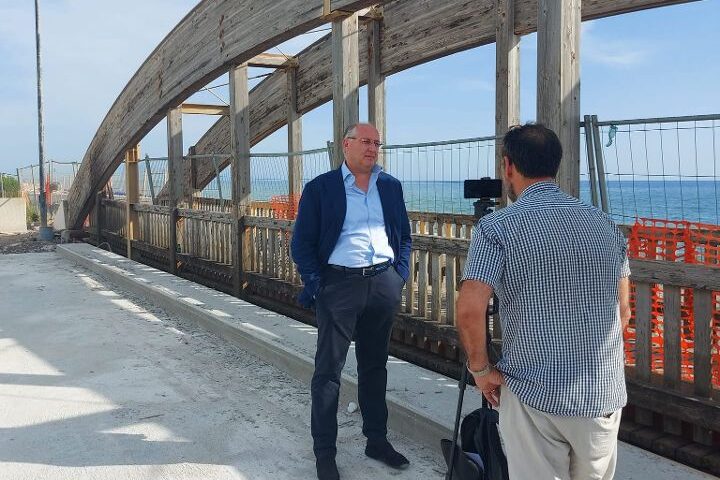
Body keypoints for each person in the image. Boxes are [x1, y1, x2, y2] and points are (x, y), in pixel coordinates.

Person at [456, 123, 631, 480]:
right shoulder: (605, 224)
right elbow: (623, 312)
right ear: (557, 166)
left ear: (508, 166)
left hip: (534, 390)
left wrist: (481, 370)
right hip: (602, 393)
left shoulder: (498, 228)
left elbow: (470, 309)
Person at [291, 123, 412, 480]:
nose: (373, 148)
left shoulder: (390, 187)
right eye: (366, 141)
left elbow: (403, 236)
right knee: (328, 371)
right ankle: (325, 453)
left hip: (382, 283)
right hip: (339, 286)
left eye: (377, 142)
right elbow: (302, 245)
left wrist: (398, 275)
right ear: (346, 145)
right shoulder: (321, 189)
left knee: (374, 366)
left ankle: (376, 440)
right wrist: (319, 285)